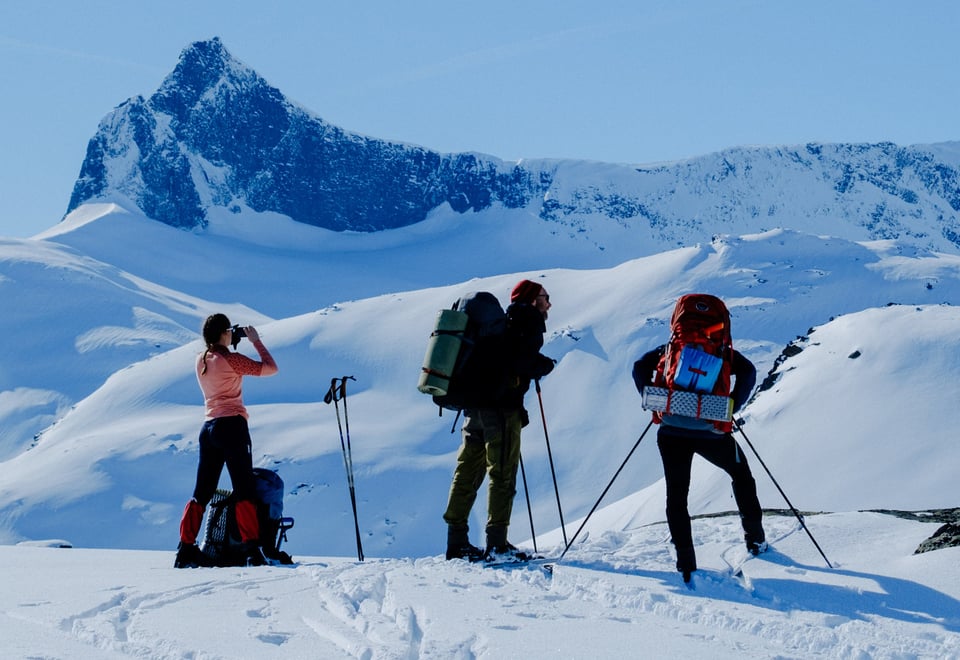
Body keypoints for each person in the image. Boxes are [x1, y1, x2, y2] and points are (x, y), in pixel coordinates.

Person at [632, 312, 765, 582]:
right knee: (741, 475)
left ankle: (685, 561)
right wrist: (730, 409)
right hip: (711, 432)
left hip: (671, 432)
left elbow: (639, 367)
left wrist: (656, 400)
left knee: (677, 495)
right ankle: (755, 540)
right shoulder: (722, 352)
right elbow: (749, 372)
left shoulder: (670, 349)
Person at [443, 279, 555, 562]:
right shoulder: (527, 321)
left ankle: (457, 541)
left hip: (474, 408)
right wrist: (544, 365)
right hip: (501, 412)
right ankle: (497, 544)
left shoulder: (498, 324)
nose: (549, 304)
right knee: (502, 474)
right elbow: (521, 362)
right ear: (532, 299)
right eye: (545, 297)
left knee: (467, 471)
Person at [175, 313, 279, 568]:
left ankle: (185, 548)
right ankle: (252, 550)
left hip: (208, 428)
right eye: (230, 330)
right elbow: (269, 368)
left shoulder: (201, 360)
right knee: (244, 488)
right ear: (224, 332)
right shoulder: (232, 360)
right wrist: (255, 340)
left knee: (202, 492)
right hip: (232, 425)